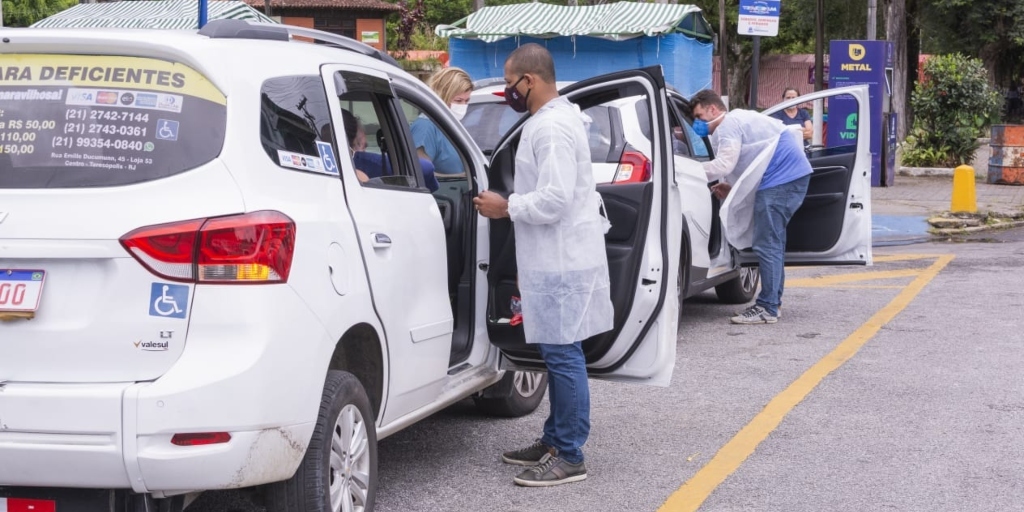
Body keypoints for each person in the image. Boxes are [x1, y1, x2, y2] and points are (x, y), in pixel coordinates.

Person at [473, 43, 613, 487]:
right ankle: (555, 439)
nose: (507, 91)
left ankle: (569, 454)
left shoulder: (550, 129)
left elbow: (554, 199)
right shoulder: (556, 120)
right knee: (557, 353)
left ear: (528, 81)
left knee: (563, 354)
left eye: (509, 82)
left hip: (560, 260)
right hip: (558, 256)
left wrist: (505, 206)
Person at [690, 89, 812, 325]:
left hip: (782, 179)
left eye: (699, 116)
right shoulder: (739, 119)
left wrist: (683, 169)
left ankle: (767, 308)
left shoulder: (728, 124)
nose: (698, 124)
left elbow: (725, 163)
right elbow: (750, 162)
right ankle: (772, 303)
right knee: (773, 243)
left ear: (713, 109)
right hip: (787, 177)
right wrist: (730, 187)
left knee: (767, 244)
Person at [411, 67, 473, 175]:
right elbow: (421, 175)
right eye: (458, 101)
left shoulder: (450, 124)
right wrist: (461, 177)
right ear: (442, 96)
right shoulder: (425, 127)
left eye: (467, 101)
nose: (463, 106)